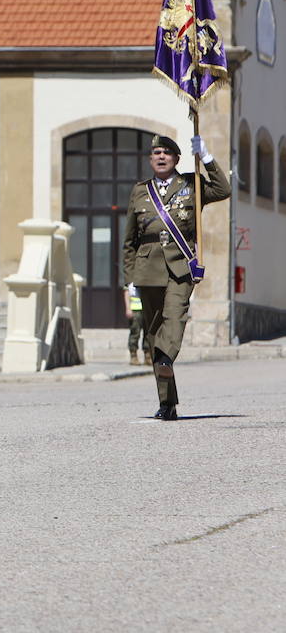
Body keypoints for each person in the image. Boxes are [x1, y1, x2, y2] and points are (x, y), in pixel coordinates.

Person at [121, 134, 230, 419]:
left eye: (166, 153)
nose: (160, 157)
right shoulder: (140, 191)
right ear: (150, 158)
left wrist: (206, 158)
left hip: (180, 268)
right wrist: (128, 279)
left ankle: (167, 355)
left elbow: (223, 189)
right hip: (147, 271)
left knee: (174, 318)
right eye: (156, 152)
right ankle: (167, 404)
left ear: (176, 159)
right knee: (154, 334)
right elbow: (130, 239)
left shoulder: (190, 185)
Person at [124, 284, 151, 366]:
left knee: (148, 333)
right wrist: (128, 308)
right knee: (135, 332)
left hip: (146, 309)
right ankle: (133, 356)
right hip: (135, 310)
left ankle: (148, 355)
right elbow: (126, 292)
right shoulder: (130, 279)